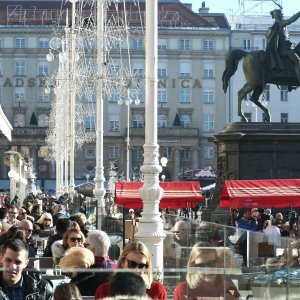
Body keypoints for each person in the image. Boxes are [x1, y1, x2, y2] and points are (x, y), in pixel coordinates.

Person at [95, 241, 167, 300]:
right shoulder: (104, 289)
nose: (136, 269)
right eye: (132, 264)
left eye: (141, 266)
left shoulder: (156, 289)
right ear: (122, 262)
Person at [174, 243, 240, 300]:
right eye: (201, 265)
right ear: (193, 266)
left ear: (218, 263)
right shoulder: (183, 290)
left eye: (212, 263)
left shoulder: (229, 289)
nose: (207, 269)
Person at [265, 8, 300, 83]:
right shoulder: (281, 24)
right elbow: (291, 20)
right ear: (279, 16)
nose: (282, 16)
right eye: (281, 15)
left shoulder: (276, 25)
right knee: (297, 61)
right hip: (285, 50)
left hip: (286, 48)